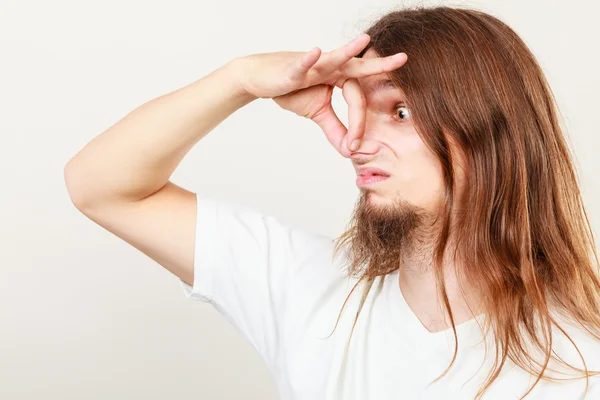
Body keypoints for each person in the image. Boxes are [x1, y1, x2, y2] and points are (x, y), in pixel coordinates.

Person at [64, 5, 600, 400]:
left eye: (400, 113)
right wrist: (240, 79)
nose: (356, 141)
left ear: (489, 134)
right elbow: (101, 187)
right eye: (357, 110)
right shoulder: (307, 287)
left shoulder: (580, 363)